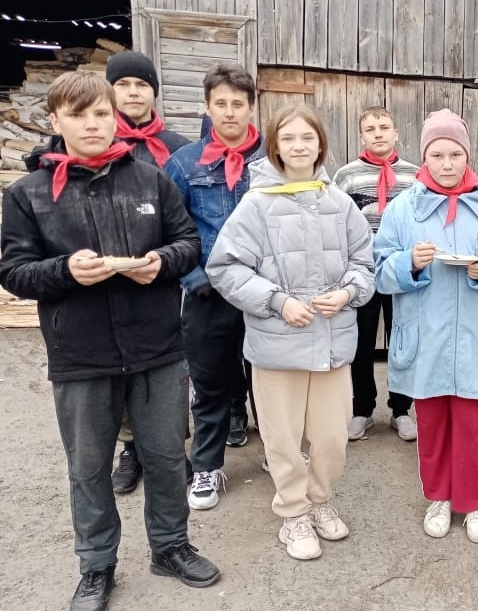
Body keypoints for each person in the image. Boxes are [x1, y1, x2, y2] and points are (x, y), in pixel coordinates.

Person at [0, 71, 220, 611]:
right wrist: (66, 271)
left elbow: (188, 244)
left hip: (158, 346)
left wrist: (160, 265)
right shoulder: (26, 195)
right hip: (80, 354)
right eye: (79, 116)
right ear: (56, 122)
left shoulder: (150, 180)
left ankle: (171, 548)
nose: (93, 124)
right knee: (89, 465)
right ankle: (96, 565)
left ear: (112, 116)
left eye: (100, 114)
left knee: (168, 456)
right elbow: (13, 270)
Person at [206, 105, 375, 560]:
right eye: (289, 138)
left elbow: (365, 263)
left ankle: (320, 500)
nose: (299, 146)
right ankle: (293, 513)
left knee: (333, 438)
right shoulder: (257, 204)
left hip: (333, 341)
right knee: (281, 439)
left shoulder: (339, 203)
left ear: (321, 144)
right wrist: (278, 301)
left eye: (308, 138)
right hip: (277, 344)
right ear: (275, 146)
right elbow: (224, 267)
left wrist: (347, 294)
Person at [374, 109, 478, 543]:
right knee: (433, 423)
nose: (447, 163)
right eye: (438, 154)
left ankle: (475, 501)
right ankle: (439, 496)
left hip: (477, 337)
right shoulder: (405, 208)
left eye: (455, 154)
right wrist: (409, 263)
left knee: (473, 423)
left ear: (467, 155)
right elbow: (378, 269)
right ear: (425, 157)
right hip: (425, 337)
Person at [165, 64, 264, 511]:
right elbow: (169, 229)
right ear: (207, 108)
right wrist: (194, 278)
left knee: (269, 377)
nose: (229, 113)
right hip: (207, 294)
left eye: (237, 104)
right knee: (209, 383)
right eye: (220, 104)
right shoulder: (184, 164)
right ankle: (207, 465)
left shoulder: (270, 162)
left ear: (250, 108)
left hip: (264, 293)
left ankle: (280, 458)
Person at [104, 50, 193, 494]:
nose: (134, 92)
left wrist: (170, 258)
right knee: (120, 363)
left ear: (154, 92)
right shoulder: (92, 144)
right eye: (124, 85)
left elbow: (186, 214)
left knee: (171, 365)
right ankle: (132, 448)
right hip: (106, 276)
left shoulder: (175, 147)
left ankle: (172, 446)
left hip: (164, 271)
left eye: (141, 85)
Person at [333, 107, 420, 443]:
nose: (378, 133)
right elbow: (337, 224)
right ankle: (362, 409)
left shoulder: (415, 176)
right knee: (362, 343)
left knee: (403, 340)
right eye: (370, 129)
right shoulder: (346, 176)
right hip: (362, 271)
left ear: (396, 132)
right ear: (362, 136)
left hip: (400, 270)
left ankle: (401, 409)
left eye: (384, 126)